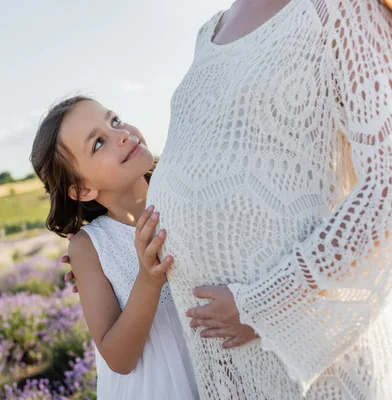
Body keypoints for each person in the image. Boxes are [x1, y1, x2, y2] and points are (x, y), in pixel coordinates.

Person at [66, 0, 392, 398]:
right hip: (228, 374)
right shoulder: (209, 34)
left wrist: (264, 308)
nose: (119, 133)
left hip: (311, 367)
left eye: (114, 122)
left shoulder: (341, 9)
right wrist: (104, 262)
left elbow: (385, 189)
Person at [30, 96, 207, 399]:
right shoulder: (89, 247)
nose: (121, 134)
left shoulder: (193, 195)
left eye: (114, 121)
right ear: (83, 189)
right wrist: (148, 281)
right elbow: (118, 358)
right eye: (98, 144)